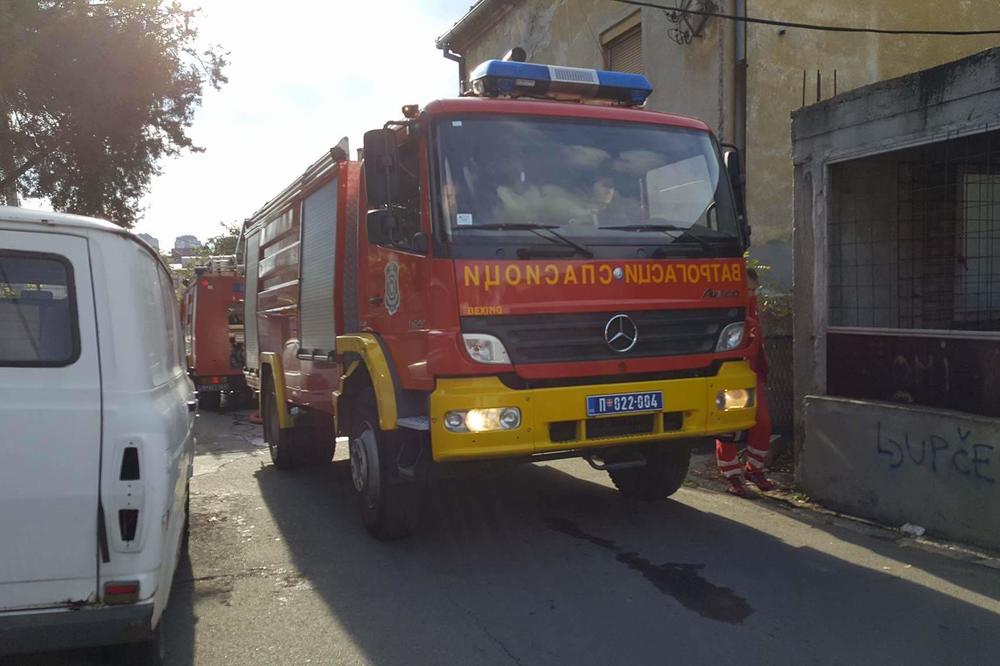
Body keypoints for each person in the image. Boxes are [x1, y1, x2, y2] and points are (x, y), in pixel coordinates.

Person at [716, 267, 774, 497]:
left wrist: (762, 370)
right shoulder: (728, 309)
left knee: (762, 422)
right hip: (730, 373)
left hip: (751, 373)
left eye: (754, 289)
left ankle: (754, 469)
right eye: (747, 289)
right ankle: (732, 475)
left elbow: (757, 344)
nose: (752, 293)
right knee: (727, 425)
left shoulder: (753, 308)